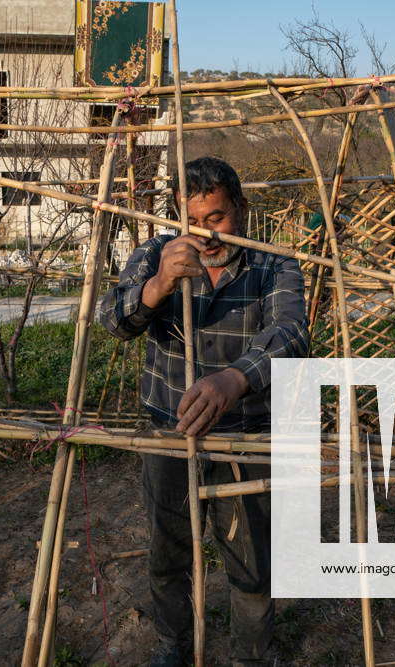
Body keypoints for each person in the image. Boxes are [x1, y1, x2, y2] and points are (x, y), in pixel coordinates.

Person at [100, 157, 309, 666]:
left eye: (217, 218)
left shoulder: (272, 263)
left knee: (250, 558)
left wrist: (234, 378)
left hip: (245, 433)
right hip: (169, 430)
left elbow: (291, 333)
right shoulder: (154, 253)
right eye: (194, 221)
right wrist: (159, 285)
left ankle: (250, 655)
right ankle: (174, 643)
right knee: (169, 548)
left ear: (239, 208)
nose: (206, 234)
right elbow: (112, 319)